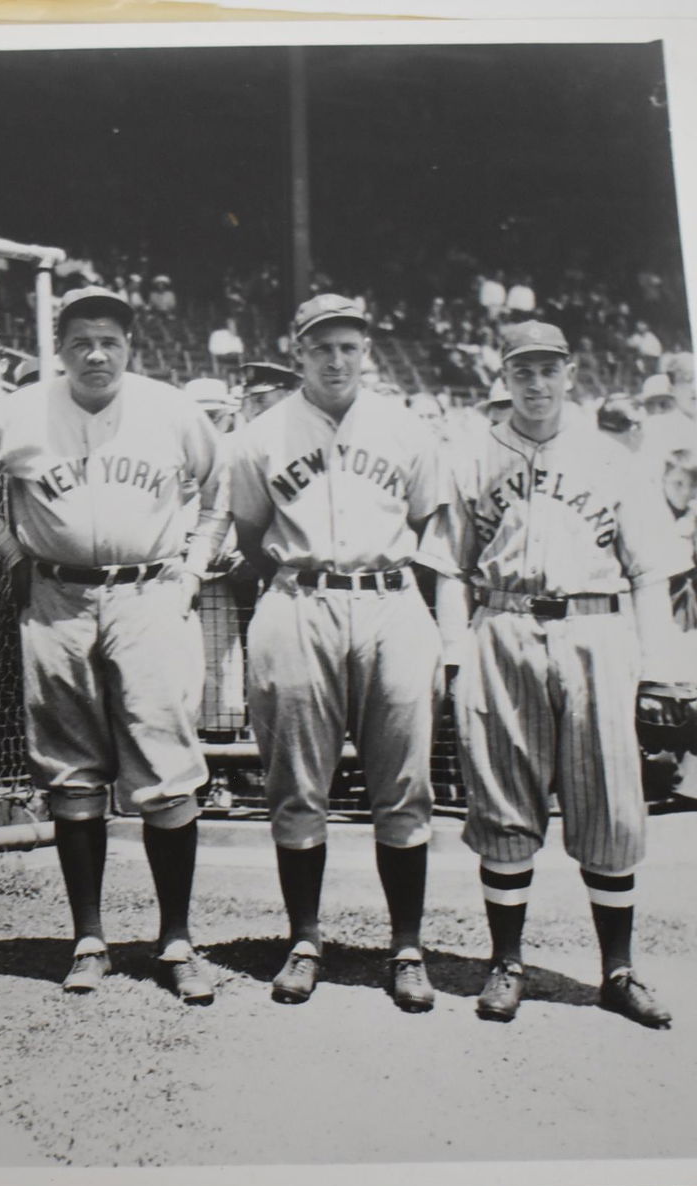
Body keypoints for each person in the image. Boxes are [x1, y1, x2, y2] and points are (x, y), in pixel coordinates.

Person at [0, 286, 230, 1004]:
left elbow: (220, 488)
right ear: (62, 346)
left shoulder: (170, 409)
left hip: (148, 591)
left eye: (109, 339)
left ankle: (175, 939)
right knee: (70, 771)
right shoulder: (18, 413)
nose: (96, 353)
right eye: (81, 340)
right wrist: (12, 555)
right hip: (58, 595)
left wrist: (194, 566)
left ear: (130, 344)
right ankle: (88, 937)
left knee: (167, 766)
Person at [420, 321, 691, 1028]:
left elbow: (653, 570)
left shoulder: (612, 458)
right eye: (522, 370)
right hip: (503, 623)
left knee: (608, 797)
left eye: (548, 369)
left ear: (570, 372)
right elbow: (450, 567)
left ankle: (619, 970)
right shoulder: (472, 454)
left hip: (597, 626)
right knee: (503, 799)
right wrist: (454, 656)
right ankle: (506, 961)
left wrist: (657, 668)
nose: (536, 383)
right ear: (503, 377)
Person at [228, 293, 442, 1013]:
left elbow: (426, 525)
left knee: (405, 784)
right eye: (322, 346)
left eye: (349, 346)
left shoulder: (408, 428)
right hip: (299, 596)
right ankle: (305, 937)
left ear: (367, 351)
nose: (336, 358)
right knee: (295, 783)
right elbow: (252, 534)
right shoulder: (262, 434)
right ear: (299, 354)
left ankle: (407, 946)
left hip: (390, 596)